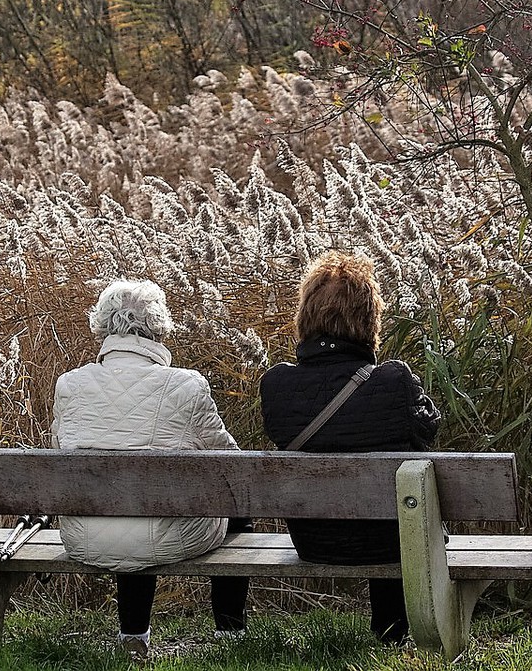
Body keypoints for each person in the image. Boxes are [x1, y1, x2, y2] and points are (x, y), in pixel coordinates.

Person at [51, 279, 250, 659]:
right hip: (167, 536)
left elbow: (58, 449)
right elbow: (231, 464)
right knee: (235, 509)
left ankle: (133, 641)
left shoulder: (70, 385)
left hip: (85, 536)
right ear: (159, 329)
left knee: (126, 506)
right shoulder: (186, 386)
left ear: (102, 327)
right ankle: (230, 634)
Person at [259, 251, 441, 645]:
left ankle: (390, 628)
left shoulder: (275, 386)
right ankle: (391, 629)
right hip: (392, 543)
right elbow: (428, 431)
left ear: (305, 317)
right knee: (395, 491)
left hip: (312, 540)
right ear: (370, 320)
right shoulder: (393, 382)